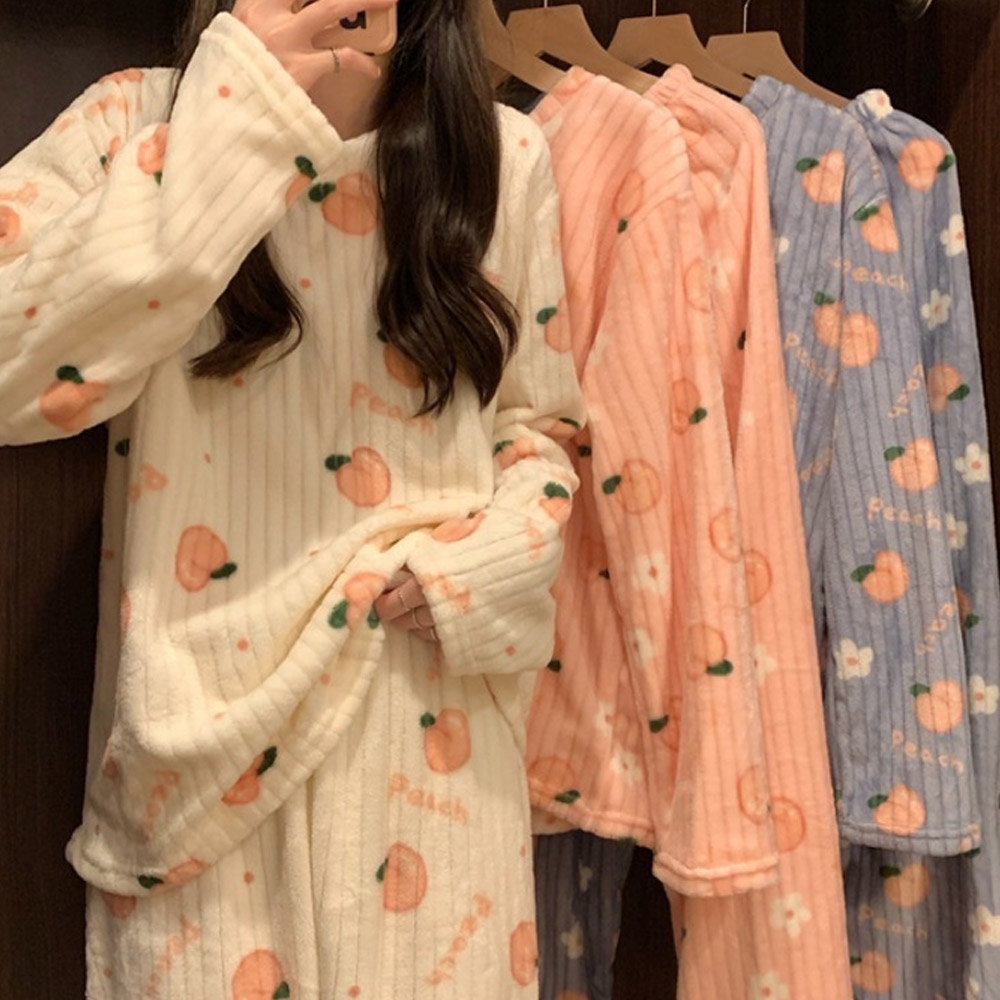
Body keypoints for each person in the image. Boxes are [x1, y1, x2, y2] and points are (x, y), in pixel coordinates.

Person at [0, 0, 582, 996]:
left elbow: (540, 429)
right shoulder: (136, 121)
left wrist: (490, 564)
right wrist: (233, 118)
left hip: (430, 740)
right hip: (199, 757)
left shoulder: (499, 156)